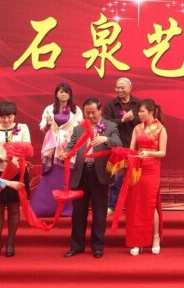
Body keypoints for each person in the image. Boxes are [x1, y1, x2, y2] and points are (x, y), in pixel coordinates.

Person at [61, 97, 121, 258]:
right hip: (81, 173)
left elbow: (118, 143)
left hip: (99, 174)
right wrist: (65, 152)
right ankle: (76, 246)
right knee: (78, 213)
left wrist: (106, 139)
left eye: (93, 112)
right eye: (87, 113)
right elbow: (71, 145)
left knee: (99, 213)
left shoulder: (110, 126)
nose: (90, 116)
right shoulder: (79, 128)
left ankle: (97, 246)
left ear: (100, 110)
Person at [0, 101, 31, 258]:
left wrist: (15, 155)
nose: (6, 120)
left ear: (14, 115)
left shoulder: (22, 128)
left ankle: (10, 242)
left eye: (9, 117)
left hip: (16, 172)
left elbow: (27, 147)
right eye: (3, 117)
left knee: (14, 208)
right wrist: (0, 158)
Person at [30, 82, 83, 217]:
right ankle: (45, 207)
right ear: (56, 94)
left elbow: (80, 128)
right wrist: (48, 124)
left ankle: (67, 209)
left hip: (68, 145)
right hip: (52, 147)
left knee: (67, 177)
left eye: (66, 92)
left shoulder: (76, 110)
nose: (63, 94)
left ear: (70, 94)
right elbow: (42, 126)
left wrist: (68, 138)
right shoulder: (49, 109)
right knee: (51, 176)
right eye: (61, 92)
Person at [125, 98, 167, 256]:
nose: (140, 114)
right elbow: (131, 149)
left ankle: (155, 237)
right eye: (139, 112)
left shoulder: (161, 129)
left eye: (142, 111)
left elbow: (162, 153)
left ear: (151, 112)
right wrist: (127, 157)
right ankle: (137, 240)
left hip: (151, 168)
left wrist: (148, 153)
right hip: (137, 168)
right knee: (136, 204)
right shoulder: (137, 128)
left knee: (150, 203)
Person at [103, 77, 141, 216]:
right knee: (116, 179)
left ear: (130, 88)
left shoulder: (138, 104)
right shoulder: (110, 105)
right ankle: (112, 206)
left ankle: (134, 205)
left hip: (135, 146)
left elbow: (144, 120)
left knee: (135, 178)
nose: (119, 90)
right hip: (117, 147)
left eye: (122, 87)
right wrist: (122, 120)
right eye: (117, 87)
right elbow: (105, 122)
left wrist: (133, 118)